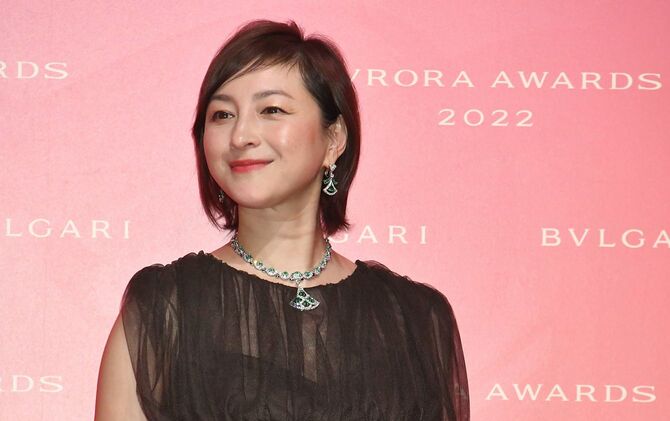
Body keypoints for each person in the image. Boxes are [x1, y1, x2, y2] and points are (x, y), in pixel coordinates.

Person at [95, 19, 469, 420]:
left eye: (271, 110)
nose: (241, 135)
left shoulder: (416, 318)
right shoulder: (164, 310)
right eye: (222, 115)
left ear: (334, 139)